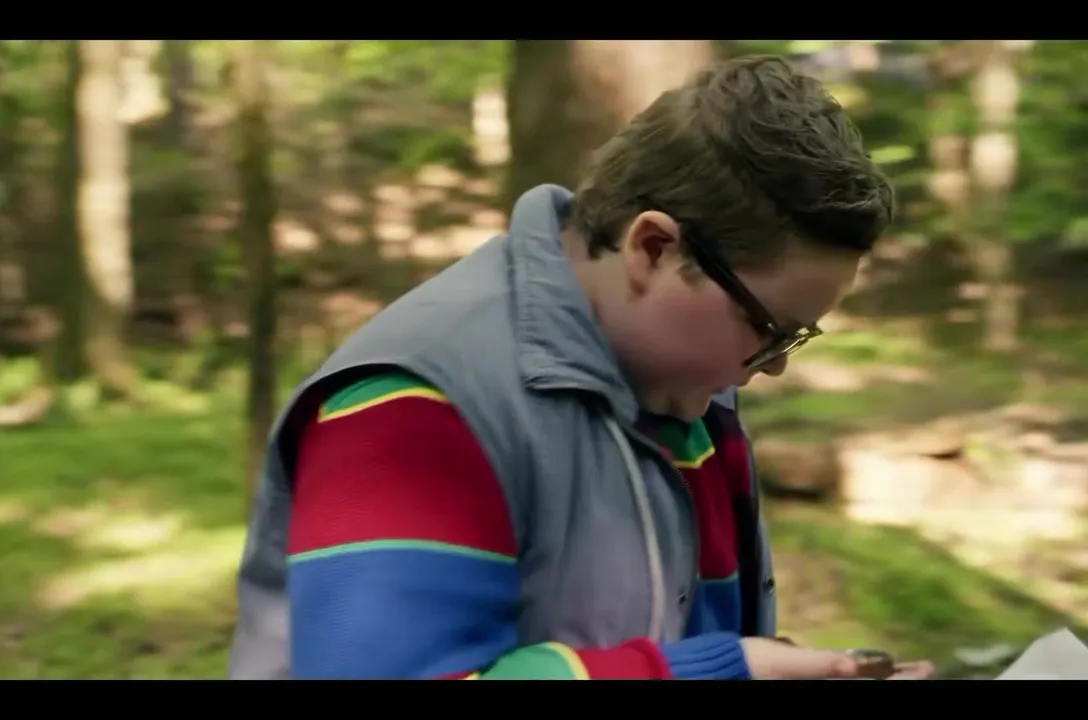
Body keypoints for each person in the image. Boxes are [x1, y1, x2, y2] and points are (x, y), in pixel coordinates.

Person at [227, 55, 935, 680]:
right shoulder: (413, 410)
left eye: (796, 336)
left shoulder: (685, 392)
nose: (774, 366)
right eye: (768, 327)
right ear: (653, 248)